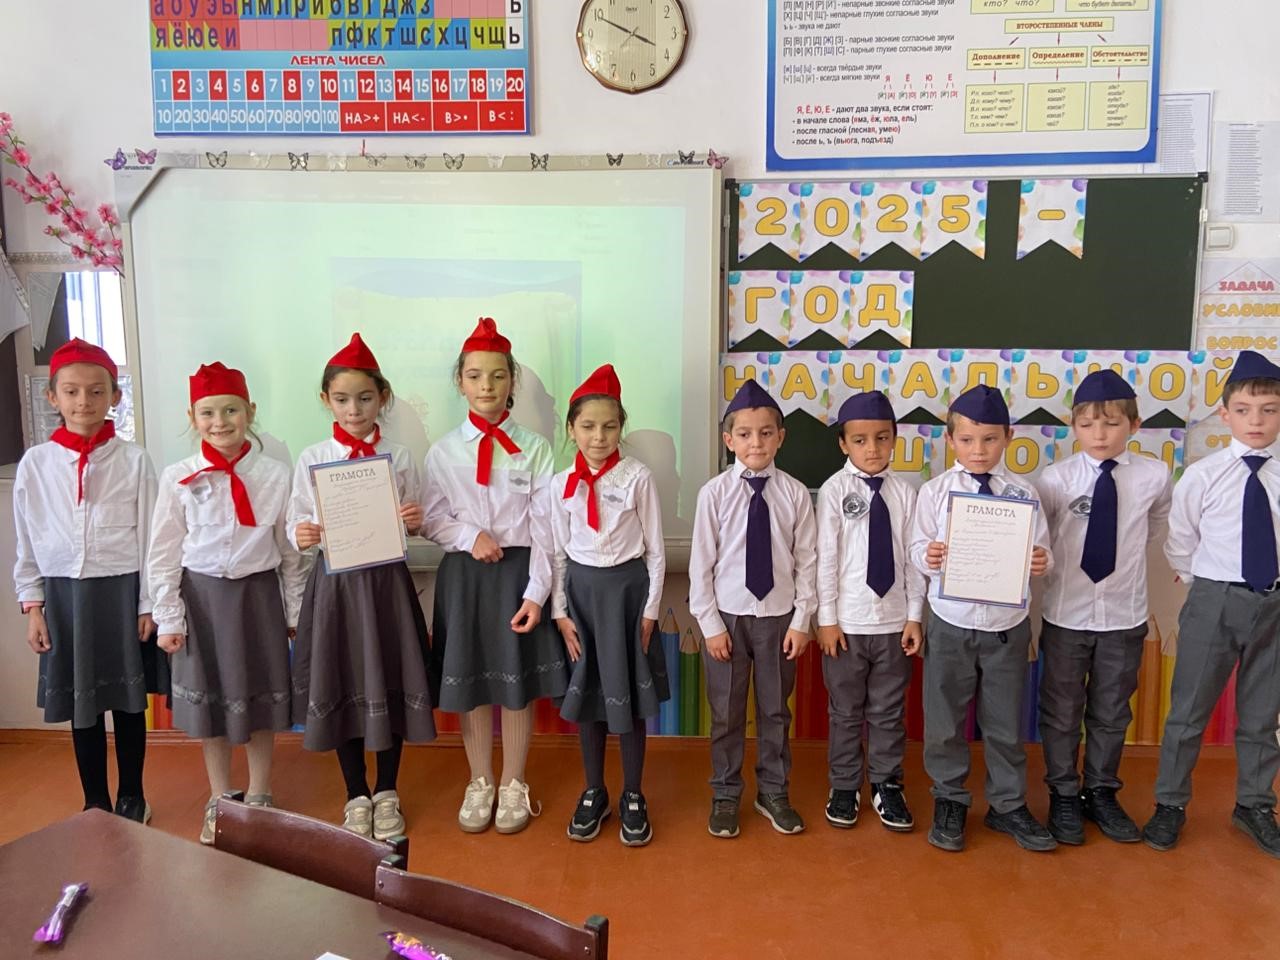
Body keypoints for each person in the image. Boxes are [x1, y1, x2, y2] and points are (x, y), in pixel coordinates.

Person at [421, 318, 568, 835]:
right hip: (465, 578)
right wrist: (469, 536)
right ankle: (480, 779)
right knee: (473, 680)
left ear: (512, 382)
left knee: (515, 681)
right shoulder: (443, 451)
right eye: (475, 375)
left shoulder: (537, 448)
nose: (487, 386)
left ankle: (513, 781)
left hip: (519, 576)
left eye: (498, 375)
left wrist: (537, 592)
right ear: (460, 382)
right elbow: (432, 518)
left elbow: (547, 527)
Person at [150, 362, 306, 843]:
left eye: (231, 410)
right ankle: (220, 797)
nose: (220, 422)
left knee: (261, 697)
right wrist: (168, 616)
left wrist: (295, 612)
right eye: (208, 412)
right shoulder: (178, 477)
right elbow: (163, 551)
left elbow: (290, 553)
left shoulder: (276, 475)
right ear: (192, 417)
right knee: (212, 703)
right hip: (201, 601)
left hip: (258, 599)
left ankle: (259, 793)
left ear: (250, 412)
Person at [289, 333, 435, 839]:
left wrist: (413, 520)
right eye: (342, 399)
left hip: (386, 587)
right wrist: (301, 534)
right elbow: (296, 521)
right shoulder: (313, 457)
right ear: (326, 400)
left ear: (383, 398)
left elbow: (413, 519)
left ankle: (387, 790)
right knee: (342, 680)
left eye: (365, 398)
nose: (354, 410)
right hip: (335, 588)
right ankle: (356, 793)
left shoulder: (400, 456)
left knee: (389, 677)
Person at [13, 338, 162, 822]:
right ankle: (94, 800)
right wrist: (33, 605)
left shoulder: (134, 460)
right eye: (72, 391)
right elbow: (27, 540)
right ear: (52, 397)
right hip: (64, 597)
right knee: (84, 703)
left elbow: (151, 536)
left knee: (128, 701)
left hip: (121, 591)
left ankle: (133, 795)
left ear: (115, 396)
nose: (84, 402)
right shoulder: (36, 464)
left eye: (97, 391)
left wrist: (148, 602)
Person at [1144, 350, 1280, 858]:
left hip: (1275, 605)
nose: (1256, 420)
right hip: (1214, 600)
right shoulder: (1203, 476)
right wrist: (1207, 587)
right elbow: (1181, 541)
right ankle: (1170, 803)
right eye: (1244, 410)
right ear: (1225, 414)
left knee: (1262, 714)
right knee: (1188, 710)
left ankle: (1254, 805)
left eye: (1269, 410)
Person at [910, 384, 1054, 853]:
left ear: (1008, 437)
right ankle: (949, 798)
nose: (979, 450)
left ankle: (1007, 805)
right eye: (968, 440)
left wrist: (1041, 560)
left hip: (1006, 627)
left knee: (1005, 723)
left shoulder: (1023, 493)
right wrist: (927, 555)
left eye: (990, 439)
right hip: (950, 621)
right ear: (950, 439)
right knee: (944, 720)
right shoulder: (935, 492)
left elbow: (1043, 548)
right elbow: (915, 548)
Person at [1036, 369, 1171, 845]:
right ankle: (1063, 793)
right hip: (1066, 614)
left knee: (1112, 711)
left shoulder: (1154, 476)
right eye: (1088, 424)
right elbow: (1042, 539)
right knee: (1061, 711)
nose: (1100, 434)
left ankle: (1100, 791)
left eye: (1112, 424)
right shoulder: (1055, 479)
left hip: (1124, 615)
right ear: (1072, 426)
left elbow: (1152, 530)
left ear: (1134, 425)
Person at [689, 380, 816, 839]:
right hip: (727, 619)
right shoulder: (714, 494)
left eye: (765, 433)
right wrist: (710, 625)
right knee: (725, 712)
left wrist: (802, 621)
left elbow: (807, 561)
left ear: (781, 437)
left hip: (779, 620)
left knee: (775, 710)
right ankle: (725, 793)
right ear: (729, 440)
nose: (755, 443)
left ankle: (773, 791)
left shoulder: (795, 494)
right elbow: (701, 564)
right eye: (744, 434)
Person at [553, 365, 668, 846]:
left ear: (621, 427)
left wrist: (650, 611)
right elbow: (558, 553)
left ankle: (634, 793)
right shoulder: (560, 483)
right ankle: (594, 790)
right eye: (587, 426)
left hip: (627, 596)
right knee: (589, 696)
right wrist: (560, 612)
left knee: (629, 698)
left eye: (609, 426)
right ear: (571, 428)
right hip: (582, 597)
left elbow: (655, 550)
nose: (598, 437)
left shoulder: (638, 477)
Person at [815, 391, 924, 832]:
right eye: (860, 440)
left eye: (882, 438)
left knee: (888, 711)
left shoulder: (905, 493)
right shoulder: (833, 491)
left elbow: (913, 561)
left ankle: (886, 783)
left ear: (895, 439)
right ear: (844, 444)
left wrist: (914, 615)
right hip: (847, 624)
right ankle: (844, 785)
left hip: (894, 624)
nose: (872, 449)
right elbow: (826, 559)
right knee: (845, 711)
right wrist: (826, 619)